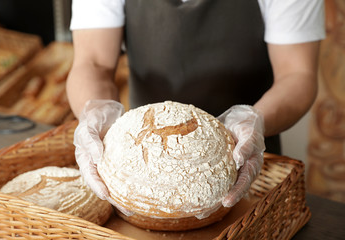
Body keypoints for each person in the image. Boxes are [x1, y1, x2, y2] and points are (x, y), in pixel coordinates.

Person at [66, 0, 325, 215]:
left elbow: (297, 74)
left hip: (246, 160)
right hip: (144, 168)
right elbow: (93, 63)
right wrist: (95, 109)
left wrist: (254, 120)